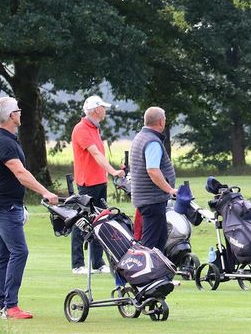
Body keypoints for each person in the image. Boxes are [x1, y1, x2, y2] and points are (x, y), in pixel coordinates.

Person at [0, 96, 59, 319]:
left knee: (5, 254)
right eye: (18, 110)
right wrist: (45, 192)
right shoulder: (3, 142)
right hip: (5, 206)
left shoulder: (9, 138)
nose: (20, 113)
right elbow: (20, 173)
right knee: (19, 251)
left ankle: (0, 306)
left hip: (8, 204)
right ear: (11, 116)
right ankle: (10, 306)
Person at [71, 95, 125, 274]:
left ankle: (97, 262)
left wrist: (111, 171)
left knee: (100, 220)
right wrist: (113, 171)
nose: (105, 110)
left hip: (99, 181)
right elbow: (95, 154)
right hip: (87, 182)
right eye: (103, 107)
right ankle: (77, 264)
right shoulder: (81, 129)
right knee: (82, 221)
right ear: (95, 110)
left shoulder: (94, 128)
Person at [130, 107, 177, 251]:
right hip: (152, 200)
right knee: (150, 243)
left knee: (161, 238)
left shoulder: (140, 137)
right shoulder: (153, 142)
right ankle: (143, 271)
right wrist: (169, 189)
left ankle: (159, 273)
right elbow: (153, 170)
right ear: (161, 121)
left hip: (147, 199)